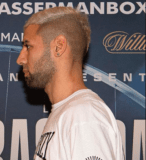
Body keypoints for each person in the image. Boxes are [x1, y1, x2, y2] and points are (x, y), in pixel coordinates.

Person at [17, 7, 124, 160]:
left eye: (28, 46)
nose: (20, 59)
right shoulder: (70, 112)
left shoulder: (84, 116)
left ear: (58, 46)